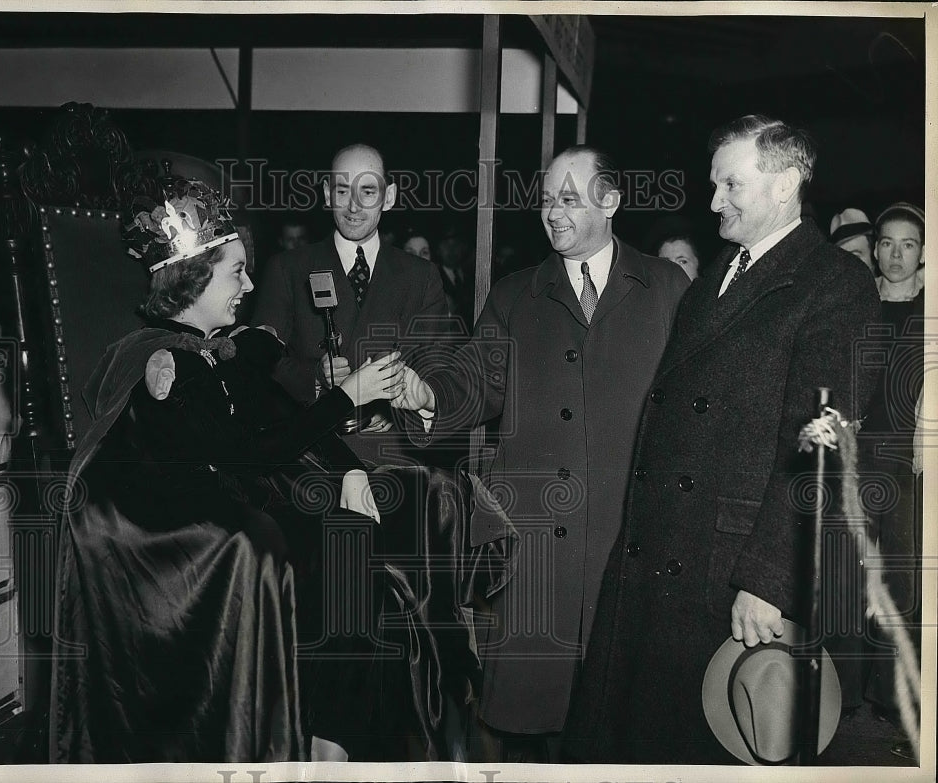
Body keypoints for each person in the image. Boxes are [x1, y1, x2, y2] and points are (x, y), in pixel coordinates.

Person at [51, 176, 506, 763]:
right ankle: (324, 736)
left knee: (376, 522)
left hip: (247, 487)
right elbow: (247, 451)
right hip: (187, 522)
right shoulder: (162, 361)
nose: (248, 284)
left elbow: (281, 418)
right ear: (192, 279)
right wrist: (348, 395)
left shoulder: (228, 350)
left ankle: (352, 730)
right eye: (235, 271)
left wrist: (348, 472)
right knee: (340, 540)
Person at [563, 115, 881, 764]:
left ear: (786, 183)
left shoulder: (834, 284)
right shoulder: (717, 274)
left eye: (730, 185)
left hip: (728, 572)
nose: (713, 203)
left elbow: (821, 448)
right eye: (713, 185)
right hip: (663, 552)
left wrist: (769, 578)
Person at [392, 145, 690, 761]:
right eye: (547, 199)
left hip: (627, 539)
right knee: (540, 729)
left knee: (626, 720)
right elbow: (476, 380)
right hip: (536, 548)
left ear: (611, 202)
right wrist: (429, 396)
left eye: (570, 198)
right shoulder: (514, 295)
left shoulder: (666, 289)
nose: (553, 212)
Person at [250, 144, 447, 466]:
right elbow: (260, 367)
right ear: (327, 194)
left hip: (393, 460)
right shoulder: (287, 269)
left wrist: (391, 404)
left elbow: (437, 370)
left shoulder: (421, 276)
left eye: (367, 191)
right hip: (310, 456)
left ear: (390, 196)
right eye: (343, 190)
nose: (353, 206)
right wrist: (315, 376)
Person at [859, 202, 925, 759]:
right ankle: (845, 695)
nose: (897, 254)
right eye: (887, 243)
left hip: (907, 466)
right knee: (844, 577)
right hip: (854, 460)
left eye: (909, 244)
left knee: (902, 587)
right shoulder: (856, 305)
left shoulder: (932, 313)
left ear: (923, 252)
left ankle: (893, 701)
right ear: (875, 249)